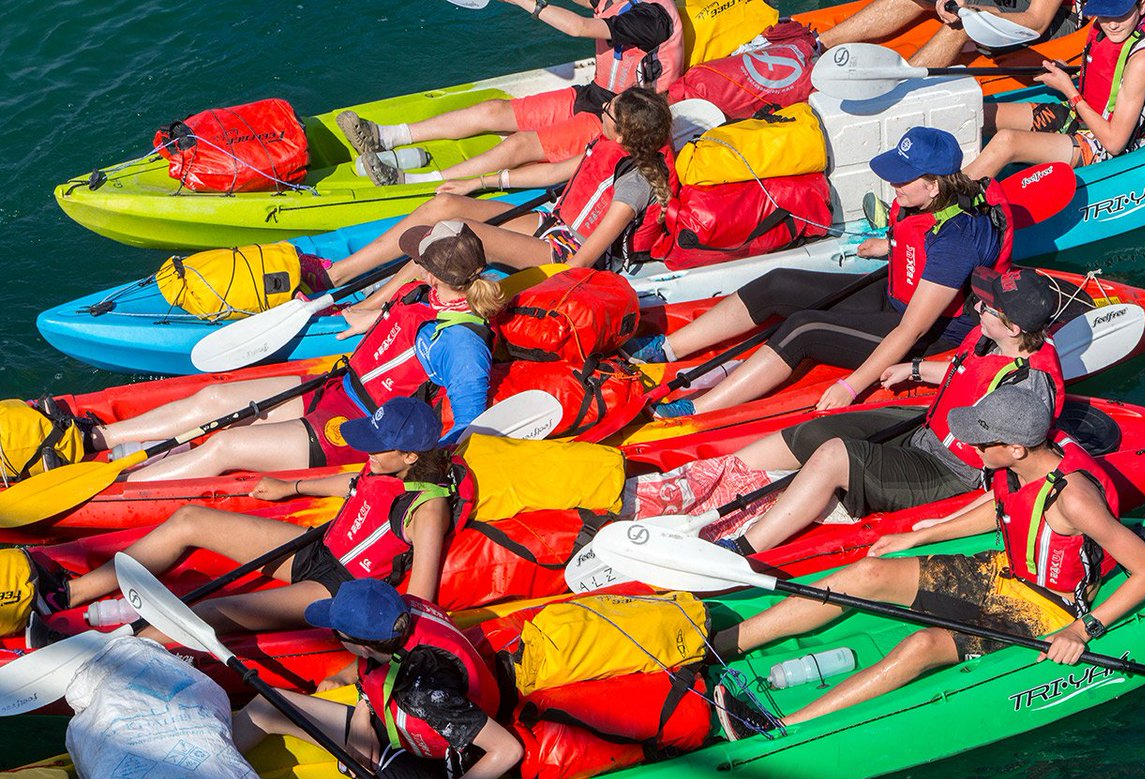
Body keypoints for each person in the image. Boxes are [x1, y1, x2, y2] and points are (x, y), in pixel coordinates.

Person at [711, 384, 1145, 740]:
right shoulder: (1017, 465)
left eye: (981, 441)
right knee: (868, 572)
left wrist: (1082, 629)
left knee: (921, 647)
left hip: (1049, 606)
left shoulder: (1076, 500)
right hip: (1003, 572)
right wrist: (924, 533)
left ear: (1016, 447)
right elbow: (1003, 503)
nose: (972, 448)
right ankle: (719, 645)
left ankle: (784, 725)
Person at [625, 126, 1009, 418]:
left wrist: (853, 385)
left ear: (934, 184)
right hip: (898, 295)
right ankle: (666, 349)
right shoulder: (928, 200)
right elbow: (916, 245)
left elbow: (913, 328)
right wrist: (889, 245)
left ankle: (698, 408)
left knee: (805, 328)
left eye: (903, 178)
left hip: (928, 334)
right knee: (779, 283)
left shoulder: (957, 240)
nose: (894, 184)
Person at [85, 224, 504, 481]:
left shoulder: (462, 344)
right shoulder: (424, 293)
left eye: (420, 259)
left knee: (225, 447)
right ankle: (98, 438)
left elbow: (469, 428)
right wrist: (372, 319)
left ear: (434, 272)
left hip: (364, 426)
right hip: (338, 387)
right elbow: (403, 310)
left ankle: (118, 486)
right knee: (211, 400)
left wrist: (405, 462)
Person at [33, 399, 462, 643]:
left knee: (216, 610)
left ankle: (102, 652)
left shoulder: (428, 511)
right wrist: (289, 488)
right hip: (317, 549)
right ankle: (67, 594)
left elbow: (420, 602)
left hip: (339, 588)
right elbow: (354, 483)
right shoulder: (387, 466)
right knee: (190, 520)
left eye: (377, 445)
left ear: (410, 457)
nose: (367, 450)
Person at [713, 265, 1064, 556]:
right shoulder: (992, 339)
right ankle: (712, 479)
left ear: (1014, 329)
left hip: (952, 471)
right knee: (818, 431)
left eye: (987, 308)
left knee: (837, 455)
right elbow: (972, 374)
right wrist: (915, 369)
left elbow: (1022, 477)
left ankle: (741, 549)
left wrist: (940, 527)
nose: (976, 309)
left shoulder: (1030, 392)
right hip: (927, 429)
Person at [324, 87, 674, 303]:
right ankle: (337, 274)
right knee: (445, 205)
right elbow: (554, 173)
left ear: (626, 132)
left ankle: (374, 308)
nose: (603, 108)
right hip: (552, 225)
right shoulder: (607, 145)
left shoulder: (635, 183)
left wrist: (511, 292)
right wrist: (477, 183)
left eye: (610, 110)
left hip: (570, 251)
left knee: (457, 232)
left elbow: (580, 263)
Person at [337, 0, 682, 187]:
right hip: (596, 95)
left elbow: (579, 27)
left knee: (518, 145)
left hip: (621, 120)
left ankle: (413, 180)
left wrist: (524, 3)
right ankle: (384, 136)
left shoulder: (651, 16)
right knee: (492, 111)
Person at [233, 580, 523, 779]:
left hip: (430, 770)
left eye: (337, 634)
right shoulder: (399, 615)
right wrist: (363, 714)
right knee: (267, 705)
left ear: (360, 646)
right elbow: (377, 676)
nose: (334, 637)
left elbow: (508, 749)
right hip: (392, 727)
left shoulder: (426, 691)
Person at [965, 0, 1145, 178]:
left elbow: (1114, 143)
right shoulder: (1115, 27)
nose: (1112, 24)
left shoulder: (1144, 61)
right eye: (1104, 14)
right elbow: (1109, 72)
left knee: (1006, 142)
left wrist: (1070, 91)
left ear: (1143, 4)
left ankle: (943, 206)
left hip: (1105, 142)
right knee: (981, 114)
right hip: (1084, 113)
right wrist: (1072, 74)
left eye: (1119, 14)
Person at [816, 0, 1078, 69]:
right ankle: (817, 45)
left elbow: (1036, 21)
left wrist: (974, 10)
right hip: (1016, 5)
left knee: (964, 23)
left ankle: (902, 86)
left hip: (1056, 23)